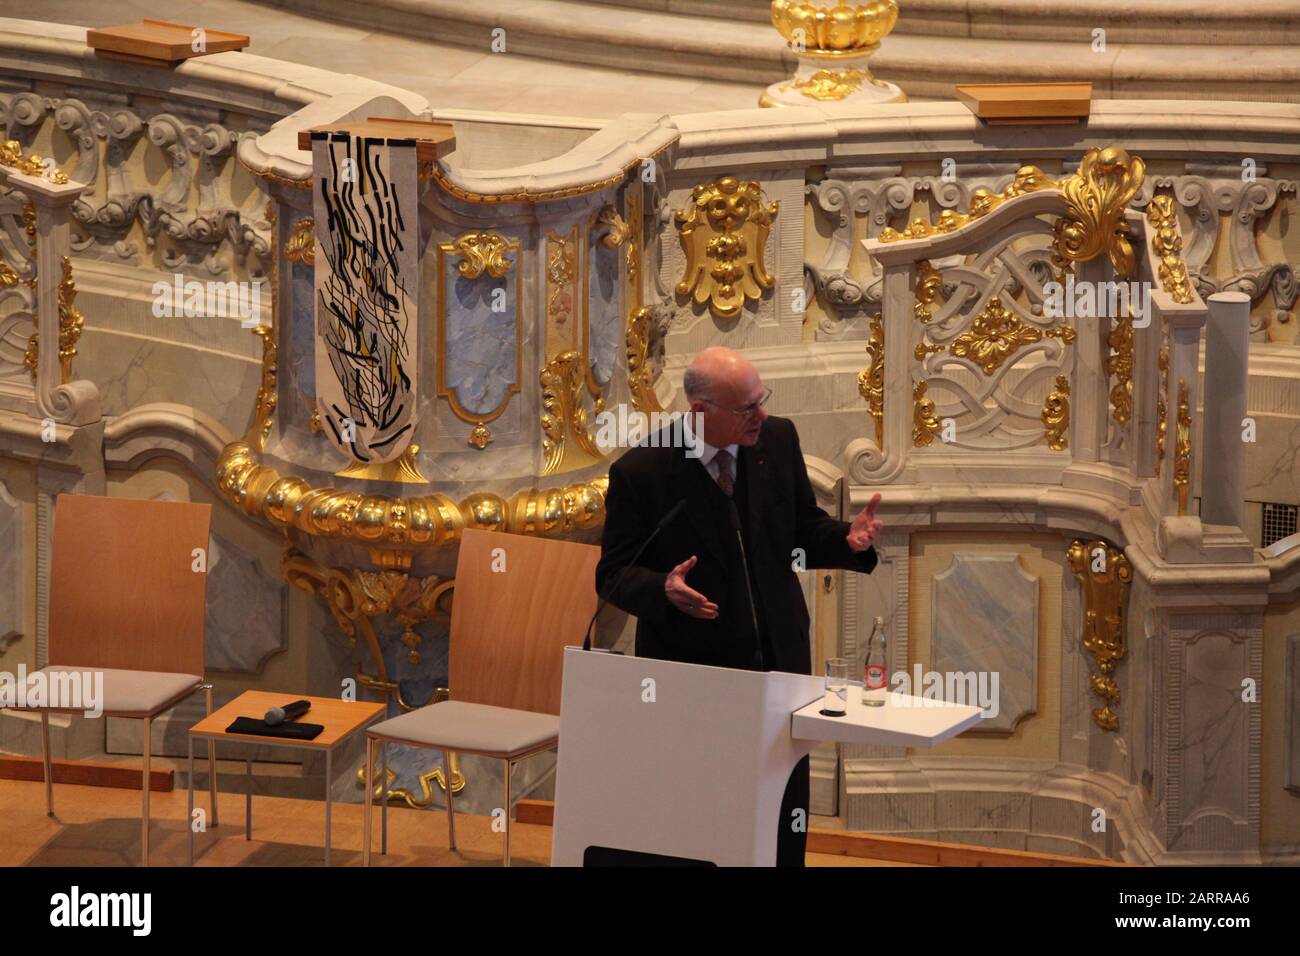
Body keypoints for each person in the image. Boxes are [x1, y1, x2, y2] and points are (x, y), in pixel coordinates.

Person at [596, 345, 883, 866]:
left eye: (760, 401)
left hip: (779, 661)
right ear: (702, 412)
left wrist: (847, 541)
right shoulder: (643, 472)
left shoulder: (777, 440)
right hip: (696, 672)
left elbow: (801, 529)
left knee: (783, 809)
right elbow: (613, 574)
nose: (761, 415)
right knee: (703, 814)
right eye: (747, 408)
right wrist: (662, 588)